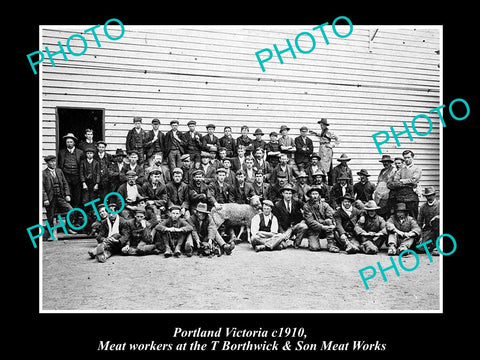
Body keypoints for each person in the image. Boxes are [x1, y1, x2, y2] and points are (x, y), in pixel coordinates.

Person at [42, 155, 75, 235]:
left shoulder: (59, 171)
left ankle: (68, 228)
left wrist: (67, 194)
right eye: (51, 162)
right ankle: (50, 232)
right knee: (50, 215)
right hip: (50, 198)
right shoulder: (44, 173)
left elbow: (65, 183)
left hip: (60, 197)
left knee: (71, 210)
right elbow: (42, 188)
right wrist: (45, 199)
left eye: (54, 161)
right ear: (47, 163)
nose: (53, 163)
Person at [389, 150, 422, 219]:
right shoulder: (401, 169)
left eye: (408, 157)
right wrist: (407, 182)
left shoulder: (417, 168)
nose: (406, 159)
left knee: (412, 217)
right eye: (405, 158)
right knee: (401, 216)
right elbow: (396, 181)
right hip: (401, 197)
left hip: (411, 197)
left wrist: (402, 181)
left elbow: (414, 180)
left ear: (413, 158)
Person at [303, 185, 337, 252]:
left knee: (328, 221)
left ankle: (331, 244)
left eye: (316, 194)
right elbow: (310, 221)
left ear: (319, 195)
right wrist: (323, 227)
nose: (315, 196)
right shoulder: (306, 206)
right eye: (313, 194)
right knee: (314, 248)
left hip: (325, 227)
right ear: (310, 195)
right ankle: (313, 241)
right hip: (313, 229)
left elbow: (331, 215)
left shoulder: (325, 205)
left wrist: (333, 223)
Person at [272, 184, 308, 248]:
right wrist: (283, 233)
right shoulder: (278, 205)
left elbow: (307, 208)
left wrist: (303, 220)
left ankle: (296, 243)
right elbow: (277, 222)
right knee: (282, 243)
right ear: (282, 194)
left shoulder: (296, 202)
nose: (288, 195)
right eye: (286, 193)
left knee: (304, 226)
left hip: (295, 226)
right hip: (284, 228)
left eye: (290, 193)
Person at [57, 133, 84, 212]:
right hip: (66, 177)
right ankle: (70, 216)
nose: (69, 143)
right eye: (67, 142)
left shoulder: (80, 152)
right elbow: (59, 165)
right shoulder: (61, 152)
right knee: (68, 196)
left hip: (77, 177)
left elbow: (82, 166)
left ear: (74, 143)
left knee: (77, 197)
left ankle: (76, 217)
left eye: (71, 142)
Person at [310, 118, 339, 184]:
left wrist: (332, 145)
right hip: (322, 149)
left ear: (325, 125)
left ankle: (328, 182)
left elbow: (338, 138)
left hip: (326, 150)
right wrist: (314, 133)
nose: (321, 126)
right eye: (321, 125)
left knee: (327, 166)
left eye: (322, 125)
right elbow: (322, 135)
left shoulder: (329, 132)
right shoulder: (323, 132)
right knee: (321, 165)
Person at [80, 145, 100, 229]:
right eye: (88, 153)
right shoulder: (83, 162)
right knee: (85, 201)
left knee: (93, 201)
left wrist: (97, 184)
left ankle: (93, 222)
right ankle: (85, 221)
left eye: (91, 153)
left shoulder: (96, 162)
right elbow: (81, 173)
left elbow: (98, 174)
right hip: (86, 184)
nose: (89, 155)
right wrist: (83, 182)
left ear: (93, 154)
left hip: (93, 183)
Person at [417, 186, 440, 256]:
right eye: (427, 196)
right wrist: (420, 236)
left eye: (430, 196)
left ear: (434, 195)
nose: (429, 198)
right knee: (420, 248)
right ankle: (432, 244)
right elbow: (419, 223)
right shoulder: (423, 207)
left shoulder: (440, 205)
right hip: (429, 230)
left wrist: (437, 217)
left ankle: (438, 246)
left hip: (439, 229)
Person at [374, 154, 396, 219]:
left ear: (390, 162)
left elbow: (392, 183)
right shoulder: (382, 171)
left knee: (387, 212)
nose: (385, 163)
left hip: (388, 195)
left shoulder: (393, 171)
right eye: (383, 162)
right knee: (379, 211)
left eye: (387, 162)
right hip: (379, 196)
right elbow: (379, 182)